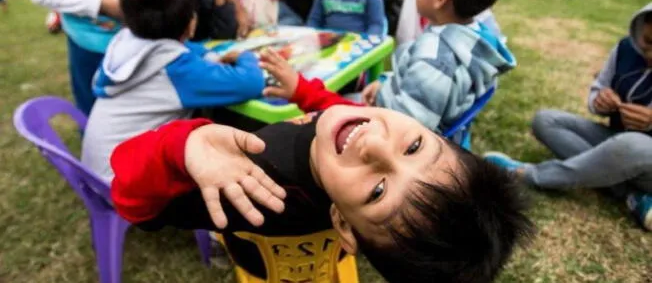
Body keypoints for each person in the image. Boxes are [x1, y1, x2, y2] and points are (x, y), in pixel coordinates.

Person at [110, 105, 534, 282]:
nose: (375, 145)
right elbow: (333, 114)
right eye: (416, 146)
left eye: (378, 190)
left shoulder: (252, 184)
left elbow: (132, 205)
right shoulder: (347, 139)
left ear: (343, 224)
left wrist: (178, 148)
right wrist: (309, 94)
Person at [269, 0, 515, 136]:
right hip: (393, 111)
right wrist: (386, 82)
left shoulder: (436, 61)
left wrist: (303, 92)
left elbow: (396, 132)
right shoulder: (465, 36)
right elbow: (417, 89)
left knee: (297, 129)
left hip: (386, 134)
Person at [81, 0, 264, 182]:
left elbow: (184, 48)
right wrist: (246, 55)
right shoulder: (177, 70)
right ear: (191, 22)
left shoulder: (127, 43)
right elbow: (252, 82)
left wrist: (208, 55)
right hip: (128, 189)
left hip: (101, 174)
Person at [484, 3, 652, 231]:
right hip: (618, 141)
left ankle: (532, 175)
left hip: (638, 151)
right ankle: (631, 194)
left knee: (630, 145)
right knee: (546, 120)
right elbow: (598, 89)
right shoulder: (626, 49)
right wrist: (600, 101)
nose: (649, 55)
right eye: (648, 43)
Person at [25, 0, 157, 116]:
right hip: (89, 47)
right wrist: (101, 5)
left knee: (140, 113)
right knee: (96, 115)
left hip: (137, 41)